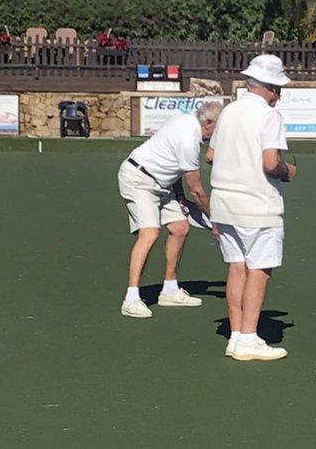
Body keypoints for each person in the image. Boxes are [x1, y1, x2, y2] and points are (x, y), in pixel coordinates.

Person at [208, 55, 297, 362]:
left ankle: (236, 336)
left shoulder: (229, 111)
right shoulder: (269, 116)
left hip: (223, 203)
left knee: (236, 268)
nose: (279, 95)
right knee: (258, 270)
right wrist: (288, 171)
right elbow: (271, 162)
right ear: (271, 88)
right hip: (256, 205)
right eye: (279, 88)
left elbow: (210, 155)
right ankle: (248, 338)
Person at [118, 101, 222, 318]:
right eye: (220, 128)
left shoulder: (186, 122)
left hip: (161, 184)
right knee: (150, 233)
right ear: (209, 124)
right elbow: (197, 190)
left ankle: (170, 290)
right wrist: (216, 222)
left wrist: (179, 197)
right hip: (138, 179)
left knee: (180, 227)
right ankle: (131, 298)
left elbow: (173, 167)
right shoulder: (189, 140)